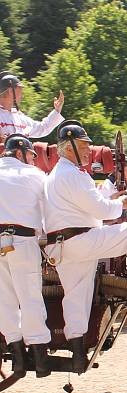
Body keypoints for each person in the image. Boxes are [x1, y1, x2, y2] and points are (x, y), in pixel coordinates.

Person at [43, 121, 127, 372]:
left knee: (76, 296)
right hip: (79, 241)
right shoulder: (72, 174)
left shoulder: (60, 174)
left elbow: (90, 204)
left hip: (63, 246)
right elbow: (102, 210)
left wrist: (114, 200)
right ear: (69, 146)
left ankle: (78, 352)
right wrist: (124, 202)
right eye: (84, 146)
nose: (88, 151)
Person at [0, 134, 51, 377]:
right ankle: (40, 357)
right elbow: (48, 213)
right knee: (30, 296)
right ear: (20, 153)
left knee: (4, 300)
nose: (33, 160)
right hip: (22, 240)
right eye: (31, 155)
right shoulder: (34, 175)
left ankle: (18, 358)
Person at [0, 71, 64, 140]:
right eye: (20, 91)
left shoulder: (20, 117)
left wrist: (57, 110)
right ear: (10, 91)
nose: (22, 96)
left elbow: (42, 128)